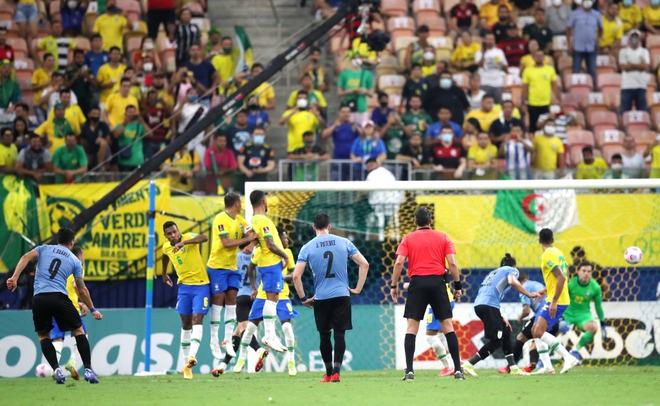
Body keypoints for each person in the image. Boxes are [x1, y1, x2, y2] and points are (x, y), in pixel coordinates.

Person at [6, 228, 102, 384]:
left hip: (39, 299)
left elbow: (25, 257)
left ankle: (57, 370)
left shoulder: (43, 249)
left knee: (44, 336)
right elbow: (82, 289)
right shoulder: (75, 260)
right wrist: (92, 309)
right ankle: (88, 370)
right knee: (79, 331)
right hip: (59, 298)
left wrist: (14, 277)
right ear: (72, 242)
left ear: (58, 240)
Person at [293, 212, 369, 382]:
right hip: (342, 294)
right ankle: (336, 372)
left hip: (321, 297)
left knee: (324, 336)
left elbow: (296, 276)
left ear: (313, 227)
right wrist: (357, 288)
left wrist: (304, 298)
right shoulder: (344, 242)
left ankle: (328, 373)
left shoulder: (307, 247)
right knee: (340, 335)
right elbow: (365, 264)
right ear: (329, 227)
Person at [390, 207, 464, 381]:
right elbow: (452, 264)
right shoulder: (443, 237)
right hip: (438, 283)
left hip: (417, 284)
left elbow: (399, 262)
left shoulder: (408, 239)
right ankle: (458, 370)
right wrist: (458, 285)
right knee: (447, 326)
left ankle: (409, 371)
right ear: (431, 221)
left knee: (411, 328)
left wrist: (394, 285)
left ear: (415, 222)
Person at [233, 228, 300, 376]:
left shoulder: (287, 253)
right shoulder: (260, 251)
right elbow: (251, 267)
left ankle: (291, 362)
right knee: (250, 328)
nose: (287, 240)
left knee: (287, 328)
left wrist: (280, 278)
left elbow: (293, 273)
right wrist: (254, 287)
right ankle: (241, 358)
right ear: (277, 238)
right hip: (263, 295)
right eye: (284, 237)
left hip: (282, 295)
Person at [461, 254, 539, 377]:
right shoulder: (512, 270)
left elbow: (488, 294)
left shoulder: (492, 274)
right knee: (496, 341)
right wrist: (529, 294)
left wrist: (500, 316)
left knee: (506, 330)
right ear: (514, 266)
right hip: (489, 306)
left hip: (480, 306)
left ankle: (513, 368)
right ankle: (468, 365)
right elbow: (512, 281)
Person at [205, 193, 257, 360]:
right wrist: (247, 240)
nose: (242, 204)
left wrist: (250, 243)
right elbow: (225, 243)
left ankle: (227, 340)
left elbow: (254, 234)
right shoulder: (221, 218)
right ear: (236, 203)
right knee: (218, 300)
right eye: (240, 202)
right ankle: (213, 340)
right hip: (217, 266)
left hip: (231, 267)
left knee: (231, 301)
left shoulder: (240, 220)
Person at [160, 221, 209, 380]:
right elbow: (164, 256)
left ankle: (191, 358)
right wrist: (164, 273)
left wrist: (184, 242)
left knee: (197, 319)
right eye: (169, 234)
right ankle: (185, 366)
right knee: (186, 323)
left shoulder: (188, 238)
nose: (173, 235)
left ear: (178, 230)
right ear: (165, 235)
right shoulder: (166, 247)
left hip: (201, 286)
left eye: (175, 232)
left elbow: (204, 237)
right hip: (184, 288)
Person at [244, 191, 291, 354]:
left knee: (274, 298)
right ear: (264, 201)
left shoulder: (255, 220)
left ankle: (271, 336)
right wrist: (285, 255)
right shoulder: (262, 220)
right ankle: (269, 336)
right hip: (270, 263)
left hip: (270, 264)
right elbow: (270, 244)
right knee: (272, 299)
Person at [530, 228, 580, 375]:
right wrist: (545, 291)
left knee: (538, 331)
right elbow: (565, 274)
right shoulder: (558, 253)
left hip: (557, 299)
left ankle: (568, 357)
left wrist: (554, 301)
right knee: (535, 330)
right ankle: (547, 366)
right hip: (555, 296)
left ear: (539, 241)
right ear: (552, 240)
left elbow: (561, 277)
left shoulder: (547, 255)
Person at [211, 247, 265, 376]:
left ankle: (259, 350)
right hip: (256, 296)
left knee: (242, 328)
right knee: (237, 333)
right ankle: (223, 365)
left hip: (240, 296)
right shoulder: (258, 254)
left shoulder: (235, 256)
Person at [510, 272, 557, 373]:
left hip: (543, 315)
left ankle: (510, 366)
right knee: (537, 341)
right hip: (555, 315)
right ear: (527, 277)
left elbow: (526, 311)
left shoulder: (523, 288)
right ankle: (534, 364)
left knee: (521, 338)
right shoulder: (538, 284)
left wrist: (520, 317)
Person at [564, 261, 607, 365]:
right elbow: (562, 299)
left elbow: (598, 306)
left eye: (589, 271)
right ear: (578, 272)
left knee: (593, 327)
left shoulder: (595, 287)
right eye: (583, 271)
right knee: (556, 328)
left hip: (583, 314)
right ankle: (543, 359)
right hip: (567, 313)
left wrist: (602, 323)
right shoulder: (570, 283)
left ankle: (574, 351)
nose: (586, 273)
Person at [522, 50, 561, 133]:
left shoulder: (550, 69)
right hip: (533, 103)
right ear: (533, 58)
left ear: (544, 58)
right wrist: (524, 102)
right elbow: (525, 87)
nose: (539, 58)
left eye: (541, 56)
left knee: (545, 127)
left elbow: (554, 85)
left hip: (546, 103)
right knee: (533, 127)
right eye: (537, 56)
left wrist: (559, 99)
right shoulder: (528, 70)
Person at [567, 0, 603, 85]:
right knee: (576, 70)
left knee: (592, 71)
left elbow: (601, 29)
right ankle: (574, 88)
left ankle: (592, 89)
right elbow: (568, 29)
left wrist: (598, 41)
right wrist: (570, 44)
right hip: (578, 47)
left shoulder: (596, 14)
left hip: (592, 47)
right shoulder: (575, 13)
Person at [321, 105, 360, 181]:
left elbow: (366, 135)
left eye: (348, 112)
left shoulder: (355, 125)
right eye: (343, 112)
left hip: (353, 161)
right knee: (337, 185)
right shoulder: (334, 125)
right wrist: (334, 126)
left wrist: (357, 128)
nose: (346, 114)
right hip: (337, 161)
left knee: (354, 186)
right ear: (339, 113)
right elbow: (323, 136)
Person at [619, 29, 649, 114]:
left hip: (641, 85)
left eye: (636, 36)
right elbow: (624, 67)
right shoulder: (623, 51)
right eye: (633, 36)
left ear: (639, 38)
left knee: (642, 111)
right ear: (629, 38)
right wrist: (639, 65)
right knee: (625, 111)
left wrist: (631, 65)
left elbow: (645, 66)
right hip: (626, 85)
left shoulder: (644, 51)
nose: (634, 38)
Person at [337, 54, 375, 124]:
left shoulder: (367, 74)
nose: (357, 60)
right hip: (348, 108)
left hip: (362, 108)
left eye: (359, 58)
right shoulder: (344, 74)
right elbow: (339, 92)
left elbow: (371, 93)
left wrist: (364, 91)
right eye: (355, 58)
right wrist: (348, 91)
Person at [112, 105, 149, 172]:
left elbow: (150, 134)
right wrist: (124, 123)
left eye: (134, 112)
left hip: (138, 160)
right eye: (129, 112)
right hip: (124, 160)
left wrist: (143, 122)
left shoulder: (139, 125)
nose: (132, 114)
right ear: (125, 114)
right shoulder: (120, 125)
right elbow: (115, 136)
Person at [477, 33, 508, 103]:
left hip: (498, 82)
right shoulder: (479, 52)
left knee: (499, 103)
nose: (490, 41)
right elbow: (479, 65)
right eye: (488, 39)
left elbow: (506, 67)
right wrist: (483, 54)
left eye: (492, 39)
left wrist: (502, 65)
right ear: (484, 40)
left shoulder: (499, 52)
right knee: (486, 102)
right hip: (485, 82)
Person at [96, 47, 126, 112]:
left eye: (118, 54)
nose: (116, 56)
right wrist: (107, 85)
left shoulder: (124, 68)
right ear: (109, 55)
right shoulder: (103, 68)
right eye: (114, 54)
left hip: (120, 100)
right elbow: (98, 85)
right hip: (105, 100)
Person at [80, 106, 110, 170]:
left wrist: (102, 140)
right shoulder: (85, 127)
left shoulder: (103, 126)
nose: (96, 116)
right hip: (89, 152)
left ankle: (100, 166)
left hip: (103, 152)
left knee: (103, 143)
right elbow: (82, 142)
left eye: (98, 114)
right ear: (89, 115)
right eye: (94, 114)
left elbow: (108, 140)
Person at [31, 53, 56, 123]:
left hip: (51, 104)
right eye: (49, 60)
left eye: (53, 61)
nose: (51, 63)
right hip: (39, 104)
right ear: (44, 62)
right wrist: (44, 84)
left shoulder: (55, 74)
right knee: (42, 125)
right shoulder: (37, 72)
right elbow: (32, 87)